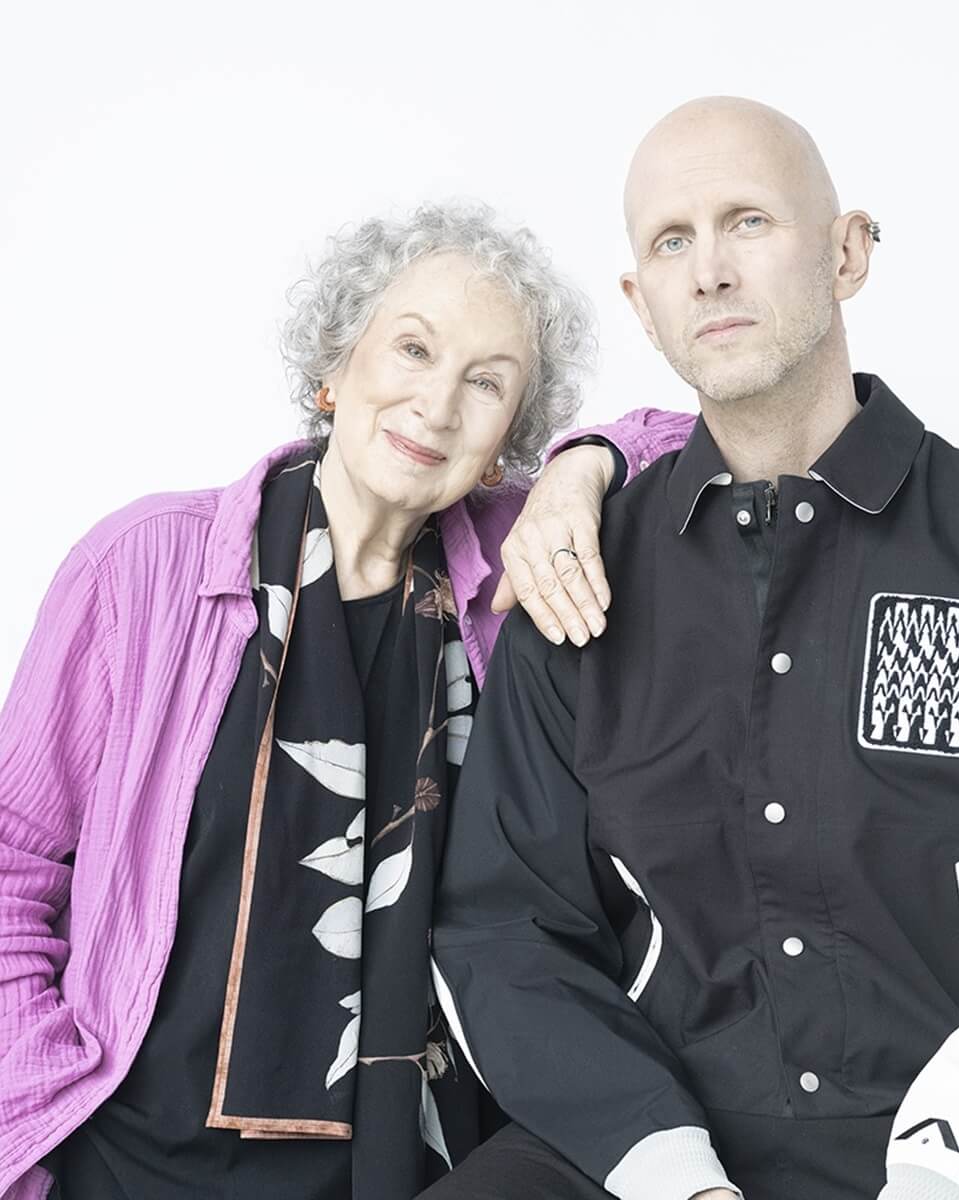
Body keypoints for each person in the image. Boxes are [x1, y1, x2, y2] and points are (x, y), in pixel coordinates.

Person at [426, 98, 959, 1200]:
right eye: (672, 242)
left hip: (958, 1147)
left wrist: (943, 1174)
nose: (711, 272)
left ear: (848, 251)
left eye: (749, 221)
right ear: (642, 305)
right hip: (645, 1151)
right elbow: (505, 930)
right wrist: (670, 1174)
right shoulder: (580, 569)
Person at [0, 201, 694, 1200]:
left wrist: (584, 468)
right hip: (124, 1165)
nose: (437, 404)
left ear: (507, 443)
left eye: (486, 382)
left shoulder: (506, 585)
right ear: (336, 368)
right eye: (413, 348)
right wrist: (35, 1130)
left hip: (409, 1175)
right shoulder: (146, 565)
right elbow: (13, 864)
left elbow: (696, 442)